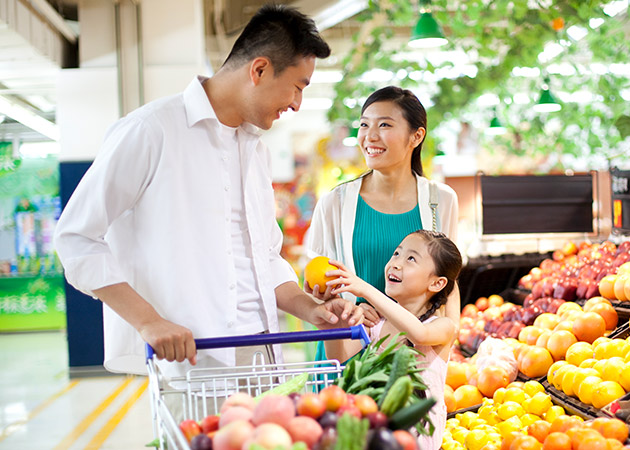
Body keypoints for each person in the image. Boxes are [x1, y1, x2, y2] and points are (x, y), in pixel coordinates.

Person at [53, 4, 362, 378]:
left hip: (263, 354)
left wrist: (309, 308)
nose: (297, 103)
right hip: (193, 363)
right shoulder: (151, 131)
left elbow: (264, 257)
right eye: (298, 86)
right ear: (259, 69)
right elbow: (76, 237)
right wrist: (148, 321)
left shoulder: (254, 150)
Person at [304, 86, 461, 338]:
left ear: (416, 136)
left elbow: (449, 279)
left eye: (385, 125)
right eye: (364, 125)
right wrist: (342, 303)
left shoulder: (440, 200)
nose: (370, 136)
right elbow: (318, 279)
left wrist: (451, 334)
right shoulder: (335, 202)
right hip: (350, 346)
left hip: (411, 351)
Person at [320, 230, 462, 450]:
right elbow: (338, 355)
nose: (395, 263)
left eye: (411, 258)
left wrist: (365, 289)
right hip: (378, 436)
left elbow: (418, 334)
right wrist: (330, 315)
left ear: (436, 284)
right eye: (396, 253)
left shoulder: (441, 327)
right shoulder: (376, 323)